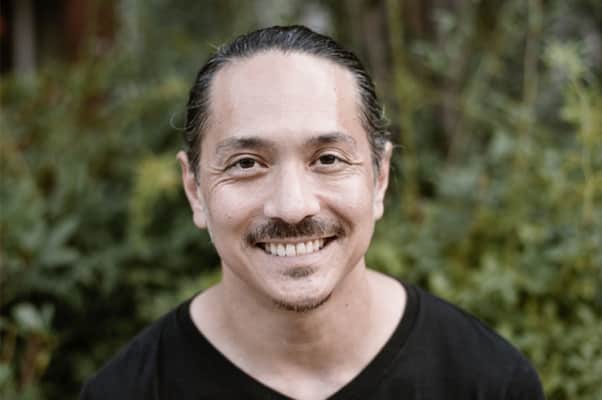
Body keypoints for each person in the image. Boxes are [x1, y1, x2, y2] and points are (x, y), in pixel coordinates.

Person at [80, 25, 545, 400]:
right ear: (194, 190)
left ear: (380, 178)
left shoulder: (487, 382)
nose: (292, 206)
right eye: (247, 164)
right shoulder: (126, 392)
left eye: (327, 158)